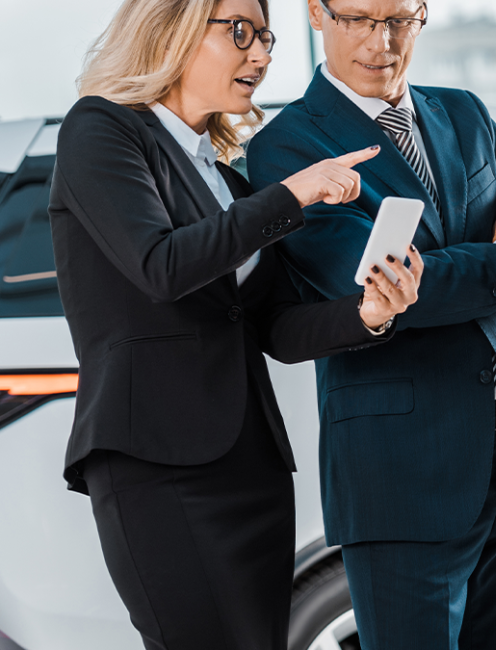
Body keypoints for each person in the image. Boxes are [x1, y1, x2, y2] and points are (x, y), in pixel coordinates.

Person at [48, 0, 423, 648]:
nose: (260, 55)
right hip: (157, 464)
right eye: (241, 33)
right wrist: (293, 193)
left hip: (251, 469)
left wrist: (370, 313)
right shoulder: (101, 131)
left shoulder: (225, 179)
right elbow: (161, 265)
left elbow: (274, 328)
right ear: (171, 29)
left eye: (267, 38)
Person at [247, 1, 496, 647]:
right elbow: (376, 283)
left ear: (424, 14)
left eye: (401, 19)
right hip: (402, 463)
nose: (382, 41)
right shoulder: (286, 147)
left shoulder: (464, 112)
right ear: (316, 14)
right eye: (357, 18)